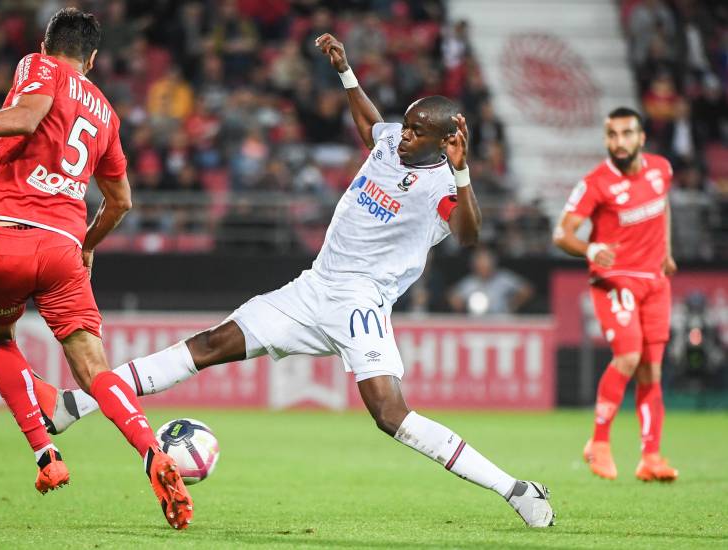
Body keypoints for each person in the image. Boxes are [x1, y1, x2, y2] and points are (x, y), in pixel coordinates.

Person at [35, 33, 555, 528]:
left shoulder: (443, 185)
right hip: (312, 289)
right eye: (408, 125)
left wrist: (464, 175)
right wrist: (347, 73)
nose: (405, 134)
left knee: (390, 414)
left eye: (418, 132)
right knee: (210, 344)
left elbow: (468, 234)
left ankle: (517, 491)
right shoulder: (395, 140)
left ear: (447, 143)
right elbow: (371, 127)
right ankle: (73, 405)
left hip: (361, 303)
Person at [0, 8, 193, 530]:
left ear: (48, 46)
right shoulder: (106, 112)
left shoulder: (38, 67)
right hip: (64, 246)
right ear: (92, 58)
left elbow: (26, 116)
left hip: (3, 234)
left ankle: (45, 455)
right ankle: (151, 450)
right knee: (93, 367)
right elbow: (121, 201)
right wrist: (89, 244)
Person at [553, 107, 678, 482]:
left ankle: (651, 457)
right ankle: (599, 443)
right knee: (628, 356)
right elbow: (562, 233)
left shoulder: (661, 169)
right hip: (615, 280)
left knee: (651, 369)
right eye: (611, 135)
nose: (618, 142)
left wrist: (667, 251)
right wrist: (589, 250)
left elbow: (663, 205)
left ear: (641, 137)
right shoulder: (596, 183)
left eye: (626, 134)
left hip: (655, 281)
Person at [448, 247, 533, 315]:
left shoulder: (503, 278)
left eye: (487, 267)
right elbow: (452, 296)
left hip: (501, 319)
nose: (484, 270)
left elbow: (527, 289)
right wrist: (460, 305)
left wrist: (514, 303)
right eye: (481, 267)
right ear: (475, 267)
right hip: (477, 321)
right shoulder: (470, 282)